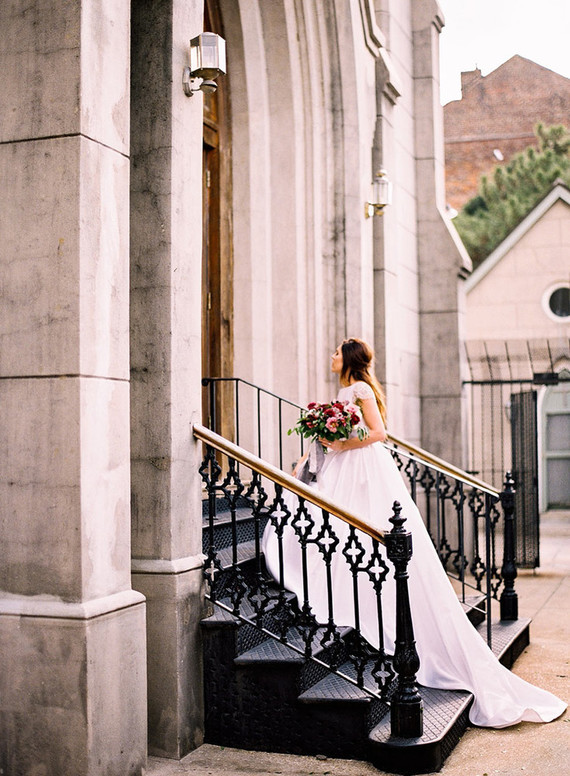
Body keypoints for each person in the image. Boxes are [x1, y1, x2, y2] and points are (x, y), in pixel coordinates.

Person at [262, 337, 566, 728]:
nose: (331, 356)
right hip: (347, 465)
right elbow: (338, 440)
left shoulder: (359, 389)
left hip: (364, 468)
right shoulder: (346, 390)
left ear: (349, 359)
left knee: (368, 532)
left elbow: (378, 434)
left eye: (336, 351)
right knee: (338, 527)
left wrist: (341, 443)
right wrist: (312, 455)